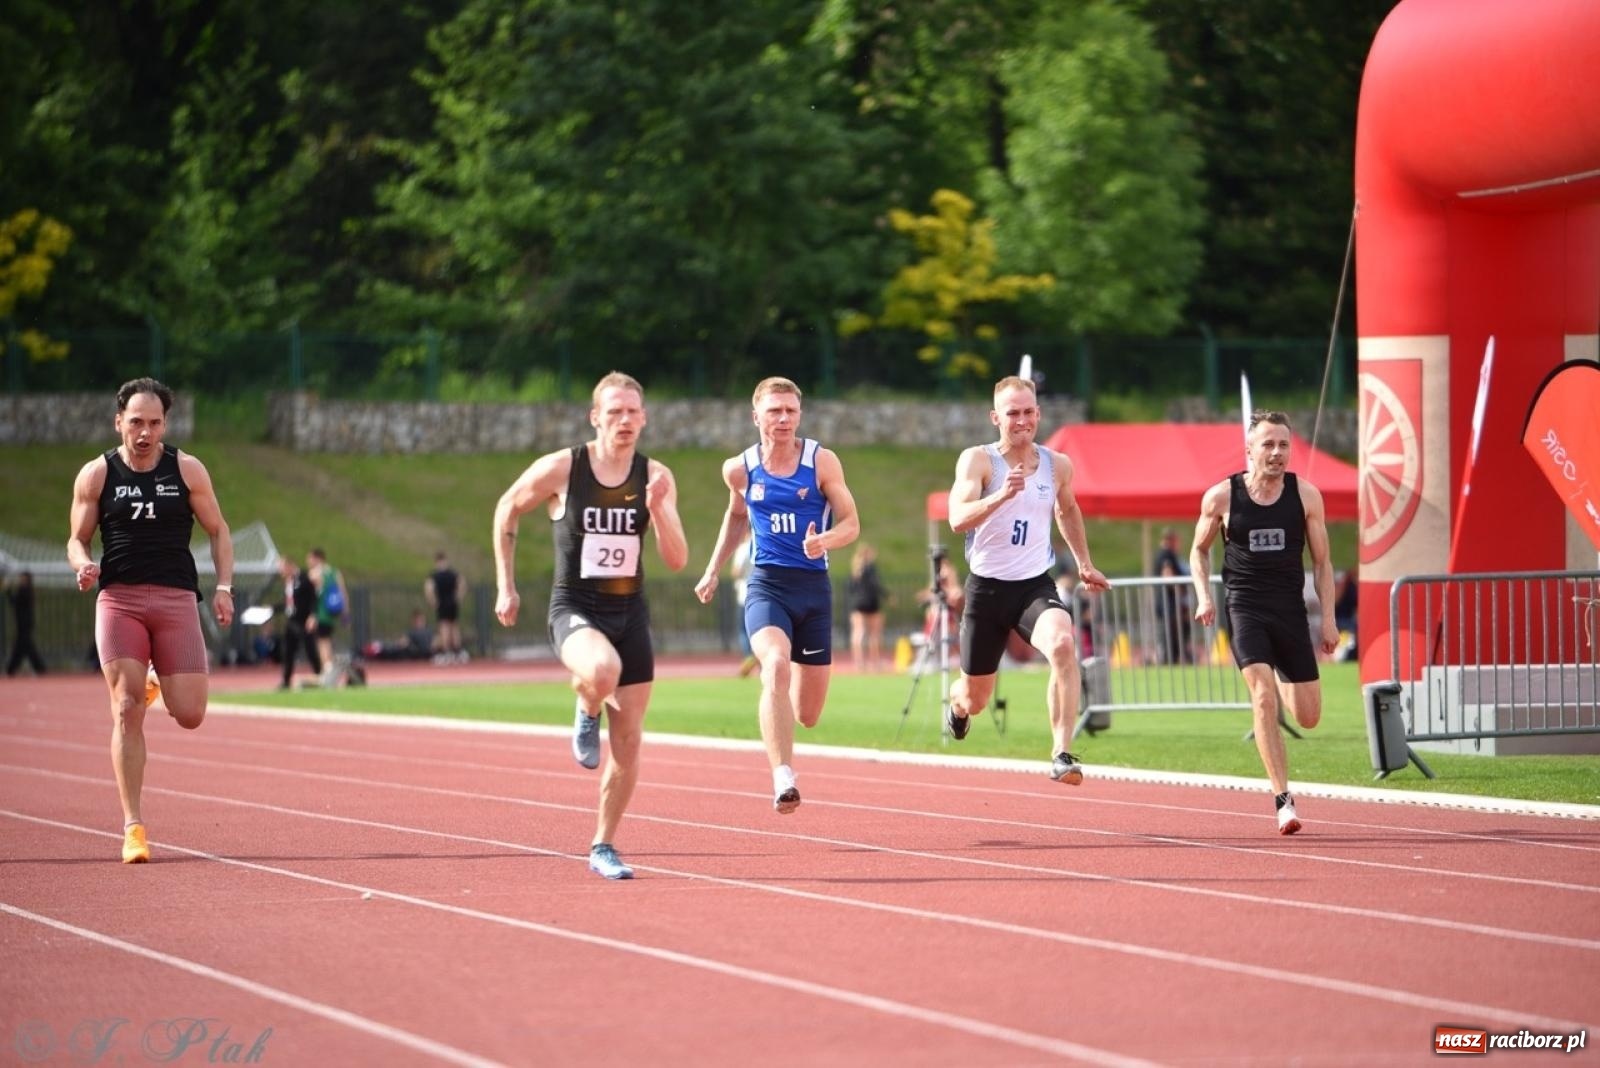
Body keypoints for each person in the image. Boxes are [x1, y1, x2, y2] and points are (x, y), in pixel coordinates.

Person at [493, 371, 688, 879]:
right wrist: (505, 585)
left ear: (644, 419)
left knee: (629, 741)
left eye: (633, 412)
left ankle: (603, 844)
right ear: (595, 416)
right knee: (602, 669)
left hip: (630, 612)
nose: (624, 420)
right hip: (575, 609)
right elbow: (506, 508)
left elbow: (676, 558)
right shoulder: (564, 467)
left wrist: (658, 510)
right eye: (615, 411)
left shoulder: (656, 475)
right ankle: (586, 705)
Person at [66, 377, 234, 863]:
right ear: (118, 421)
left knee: (191, 714)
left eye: (154, 423)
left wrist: (223, 587)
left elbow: (218, 530)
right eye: (136, 422)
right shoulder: (97, 475)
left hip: (176, 598)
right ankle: (133, 827)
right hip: (118, 601)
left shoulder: (186, 469)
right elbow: (76, 537)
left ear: (165, 424)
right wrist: (82, 565)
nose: (145, 432)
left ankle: (155, 683)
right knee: (125, 708)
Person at [694, 377, 861, 814]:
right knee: (774, 664)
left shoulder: (822, 462)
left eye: (790, 410)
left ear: (799, 415)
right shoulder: (740, 469)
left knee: (808, 714)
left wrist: (825, 541)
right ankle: (783, 776)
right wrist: (712, 569)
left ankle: (785, 732)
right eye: (774, 411)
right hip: (767, 584)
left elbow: (851, 523)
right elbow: (735, 518)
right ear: (756, 417)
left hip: (813, 590)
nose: (783, 419)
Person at [944, 375, 1111, 784]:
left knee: (1062, 643)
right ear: (995, 417)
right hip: (986, 591)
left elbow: (1067, 511)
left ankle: (1061, 752)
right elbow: (956, 519)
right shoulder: (978, 461)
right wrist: (1001, 495)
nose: (1021, 421)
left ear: (1038, 414)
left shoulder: (1058, 465)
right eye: (1012, 413)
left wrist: (1084, 563)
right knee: (976, 699)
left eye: (1028, 412)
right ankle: (957, 704)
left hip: (1033, 586)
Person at [1190, 409, 1338, 835]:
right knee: (1262, 696)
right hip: (1245, 607)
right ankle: (1283, 799)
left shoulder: (1306, 496)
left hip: (1290, 610)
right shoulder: (1221, 497)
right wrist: (1204, 596)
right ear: (1249, 450)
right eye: (1268, 445)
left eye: (1283, 445)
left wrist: (1327, 620)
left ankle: (1287, 687)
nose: (1276, 453)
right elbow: (1198, 551)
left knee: (1308, 716)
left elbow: (1324, 563)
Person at [275, 554, 323, 689]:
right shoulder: (288, 582)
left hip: (304, 620)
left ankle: (319, 675)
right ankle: (286, 680)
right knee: (288, 651)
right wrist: (272, 608)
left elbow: (313, 598)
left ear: (290, 566)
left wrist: (313, 616)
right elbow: (289, 603)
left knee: (310, 649)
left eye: (282, 568)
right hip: (292, 620)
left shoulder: (303, 578)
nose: (281, 572)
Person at [847, 542, 888, 673]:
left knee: (858, 633)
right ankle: (875, 662)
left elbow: (850, 588)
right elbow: (875, 585)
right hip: (871, 603)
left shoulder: (855, 569)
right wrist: (887, 596)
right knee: (874, 634)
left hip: (857, 603)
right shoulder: (870, 568)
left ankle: (859, 663)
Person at [307, 547, 348, 671]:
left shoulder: (314, 573)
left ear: (317, 558)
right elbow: (343, 593)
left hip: (321, 612)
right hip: (332, 612)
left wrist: (312, 615)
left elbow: (314, 596)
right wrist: (345, 612)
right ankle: (329, 667)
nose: (309, 562)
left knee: (322, 642)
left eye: (310, 559)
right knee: (327, 640)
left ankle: (327, 668)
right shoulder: (335, 572)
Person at [424, 550, 465, 663]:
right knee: (454, 626)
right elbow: (461, 583)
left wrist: (433, 601)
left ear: (437, 562)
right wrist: (458, 597)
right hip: (452, 602)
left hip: (442, 602)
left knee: (444, 627)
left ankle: (447, 652)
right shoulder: (453, 573)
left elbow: (429, 588)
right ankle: (458, 651)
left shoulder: (434, 575)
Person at [6, 570, 47, 676]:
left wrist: (8, 590)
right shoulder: (27, 590)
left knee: (23, 647)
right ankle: (38, 668)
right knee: (25, 647)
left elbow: (14, 602)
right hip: (23, 623)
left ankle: (12, 669)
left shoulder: (25, 590)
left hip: (24, 624)